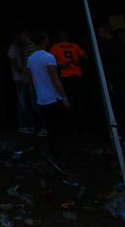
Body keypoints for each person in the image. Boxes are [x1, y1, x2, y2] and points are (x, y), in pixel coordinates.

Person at [26, 30, 71, 163]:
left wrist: (39, 91)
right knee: (63, 127)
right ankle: (57, 152)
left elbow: (31, 79)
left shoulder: (31, 58)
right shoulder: (49, 57)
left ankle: (52, 152)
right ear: (45, 40)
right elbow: (54, 77)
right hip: (54, 98)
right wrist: (64, 97)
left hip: (42, 99)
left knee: (51, 127)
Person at [49, 32, 87, 132]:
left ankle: (74, 126)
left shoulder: (56, 47)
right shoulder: (74, 46)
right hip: (76, 76)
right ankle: (81, 126)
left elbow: (49, 60)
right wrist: (77, 62)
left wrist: (60, 64)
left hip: (66, 77)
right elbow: (85, 57)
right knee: (79, 101)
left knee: (70, 102)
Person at [8, 31, 35, 134]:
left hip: (24, 77)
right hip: (20, 78)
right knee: (22, 102)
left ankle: (28, 124)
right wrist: (21, 73)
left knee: (26, 101)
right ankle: (24, 125)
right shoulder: (12, 49)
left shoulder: (22, 48)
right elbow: (14, 63)